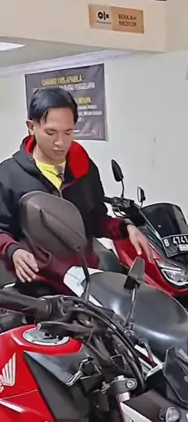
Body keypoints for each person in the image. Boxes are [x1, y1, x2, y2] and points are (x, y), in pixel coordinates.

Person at [0, 86, 151, 286]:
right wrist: (14, 251)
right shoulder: (9, 175)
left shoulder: (84, 168)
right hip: (37, 284)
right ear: (31, 126)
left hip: (84, 280)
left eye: (68, 132)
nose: (60, 142)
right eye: (51, 132)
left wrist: (125, 228)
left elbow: (95, 219)